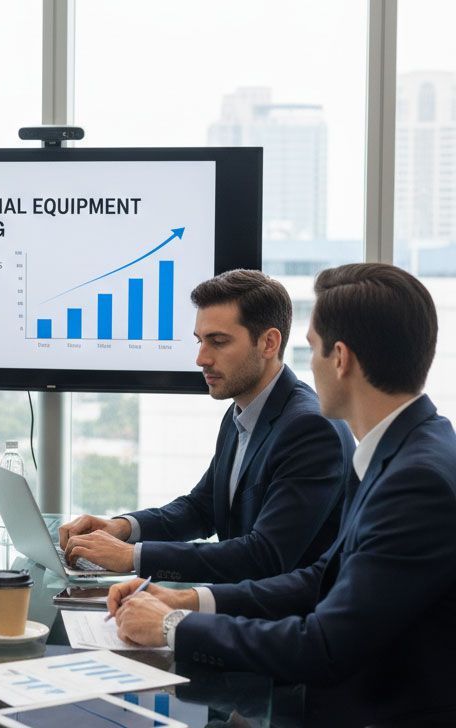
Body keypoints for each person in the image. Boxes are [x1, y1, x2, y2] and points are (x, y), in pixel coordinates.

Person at [109, 264, 456, 719]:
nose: (307, 364)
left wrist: (174, 625)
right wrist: (186, 600)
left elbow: (325, 645)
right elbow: (322, 578)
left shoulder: (417, 480)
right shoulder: (401, 448)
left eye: (311, 348)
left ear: (341, 358)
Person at [59, 269, 354, 583]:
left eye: (218, 342)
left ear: (268, 343)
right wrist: (121, 528)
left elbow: (265, 556)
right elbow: (202, 508)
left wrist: (133, 556)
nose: (201, 359)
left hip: (282, 622)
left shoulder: (309, 429)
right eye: (200, 341)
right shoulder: (241, 411)